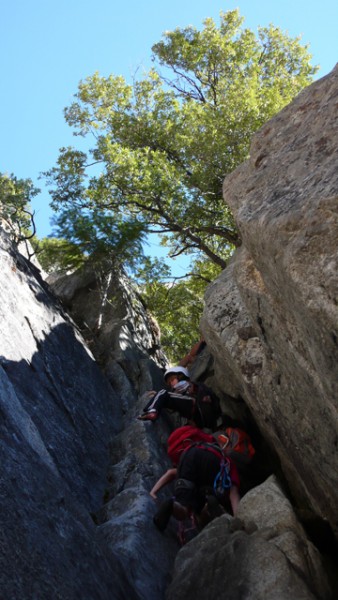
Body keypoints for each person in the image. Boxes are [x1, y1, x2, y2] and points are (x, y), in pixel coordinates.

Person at [151, 430, 241, 532]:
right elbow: (234, 495)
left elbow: (171, 473)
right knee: (192, 507)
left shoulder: (204, 445)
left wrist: (153, 492)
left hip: (189, 454)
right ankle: (202, 507)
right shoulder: (228, 464)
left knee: (185, 505)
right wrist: (238, 519)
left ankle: (173, 504)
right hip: (211, 466)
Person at [137, 366, 221, 430]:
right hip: (198, 418)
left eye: (172, 380)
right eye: (169, 383)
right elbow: (173, 399)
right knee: (163, 394)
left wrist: (158, 395)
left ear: (181, 375)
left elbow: (170, 396)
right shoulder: (185, 388)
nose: (171, 384)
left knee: (163, 392)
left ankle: (152, 411)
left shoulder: (189, 385)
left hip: (195, 408)